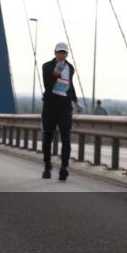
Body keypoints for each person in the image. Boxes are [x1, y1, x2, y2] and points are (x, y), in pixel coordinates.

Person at [41, 42, 79, 181]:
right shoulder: (47, 66)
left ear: (67, 54)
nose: (62, 55)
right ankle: (47, 165)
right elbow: (47, 85)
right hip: (50, 106)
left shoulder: (70, 67)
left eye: (64, 53)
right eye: (59, 52)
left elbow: (70, 84)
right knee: (48, 137)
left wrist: (75, 100)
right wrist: (55, 73)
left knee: (66, 138)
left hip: (65, 107)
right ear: (55, 53)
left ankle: (64, 167)